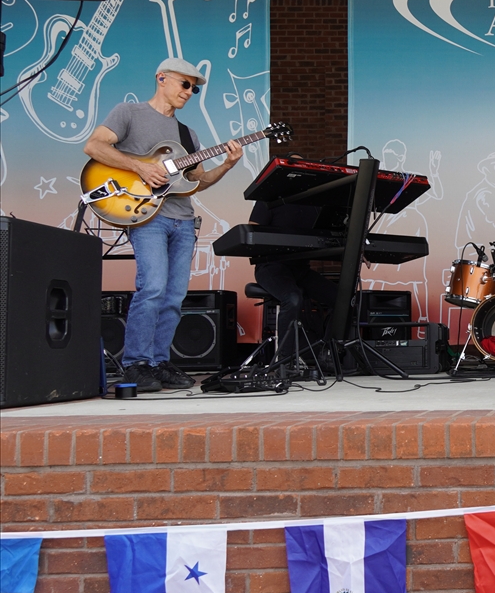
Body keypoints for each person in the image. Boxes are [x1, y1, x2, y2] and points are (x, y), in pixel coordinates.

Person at [84, 58, 244, 392]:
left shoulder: (188, 134)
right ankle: (136, 364)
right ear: (161, 78)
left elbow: (198, 182)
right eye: (185, 84)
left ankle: (158, 362)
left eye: (194, 89)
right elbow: (94, 146)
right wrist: (140, 167)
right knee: (153, 287)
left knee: (174, 296)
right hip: (147, 217)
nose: (189, 92)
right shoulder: (129, 113)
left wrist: (228, 165)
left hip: (183, 220)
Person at [248, 160, 341, 357]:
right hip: (270, 267)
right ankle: (284, 361)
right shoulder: (268, 198)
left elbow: (331, 234)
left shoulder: (314, 204)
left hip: (300, 269)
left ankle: (327, 353)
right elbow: (252, 233)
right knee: (292, 297)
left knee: (342, 299)